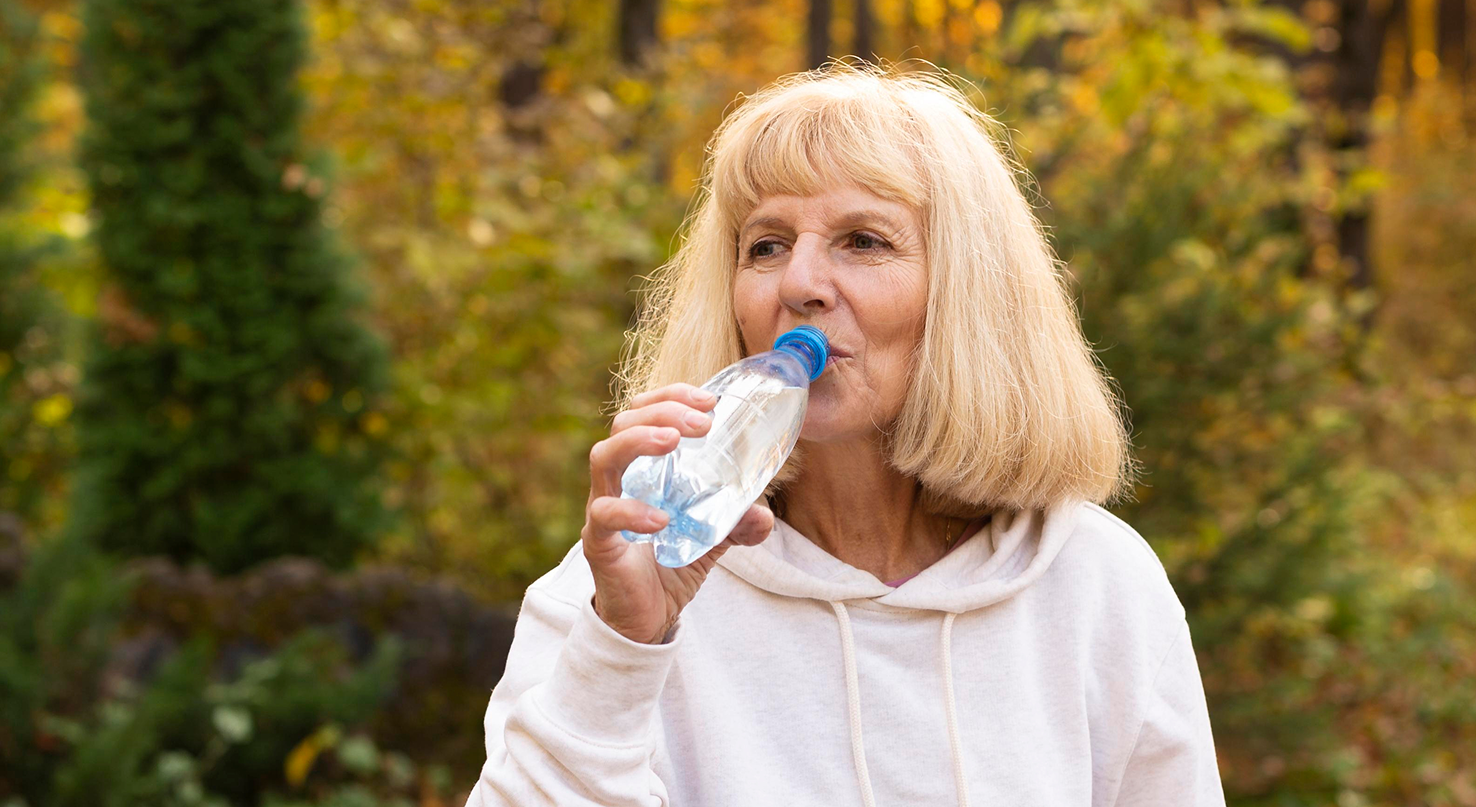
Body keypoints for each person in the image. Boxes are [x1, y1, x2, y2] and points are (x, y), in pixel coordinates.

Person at [465, 63, 1225, 807]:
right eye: (765, 245)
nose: (799, 283)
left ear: (964, 293)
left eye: (863, 240)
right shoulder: (623, 583)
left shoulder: (1096, 583)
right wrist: (622, 650)